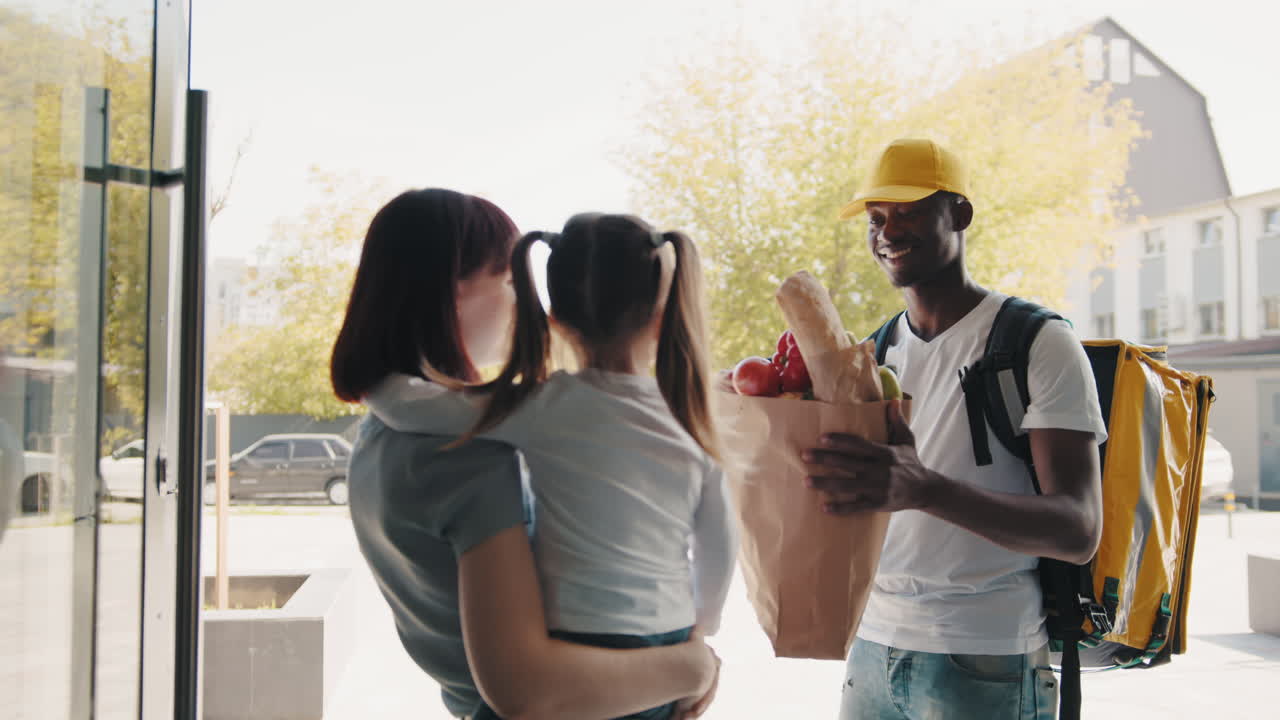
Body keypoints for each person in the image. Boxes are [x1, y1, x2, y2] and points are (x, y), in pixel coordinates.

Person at [331, 191, 720, 720]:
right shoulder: (469, 457)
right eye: (512, 280)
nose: (526, 303)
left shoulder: (382, 432)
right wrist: (694, 667)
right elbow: (529, 688)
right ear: (452, 291)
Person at [803, 138, 1107, 719]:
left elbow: (1078, 529)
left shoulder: (1038, 342)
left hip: (984, 657)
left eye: (909, 210)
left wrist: (926, 489)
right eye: (876, 218)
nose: (887, 232)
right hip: (870, 647)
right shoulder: (877, 353)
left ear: (959, 214)